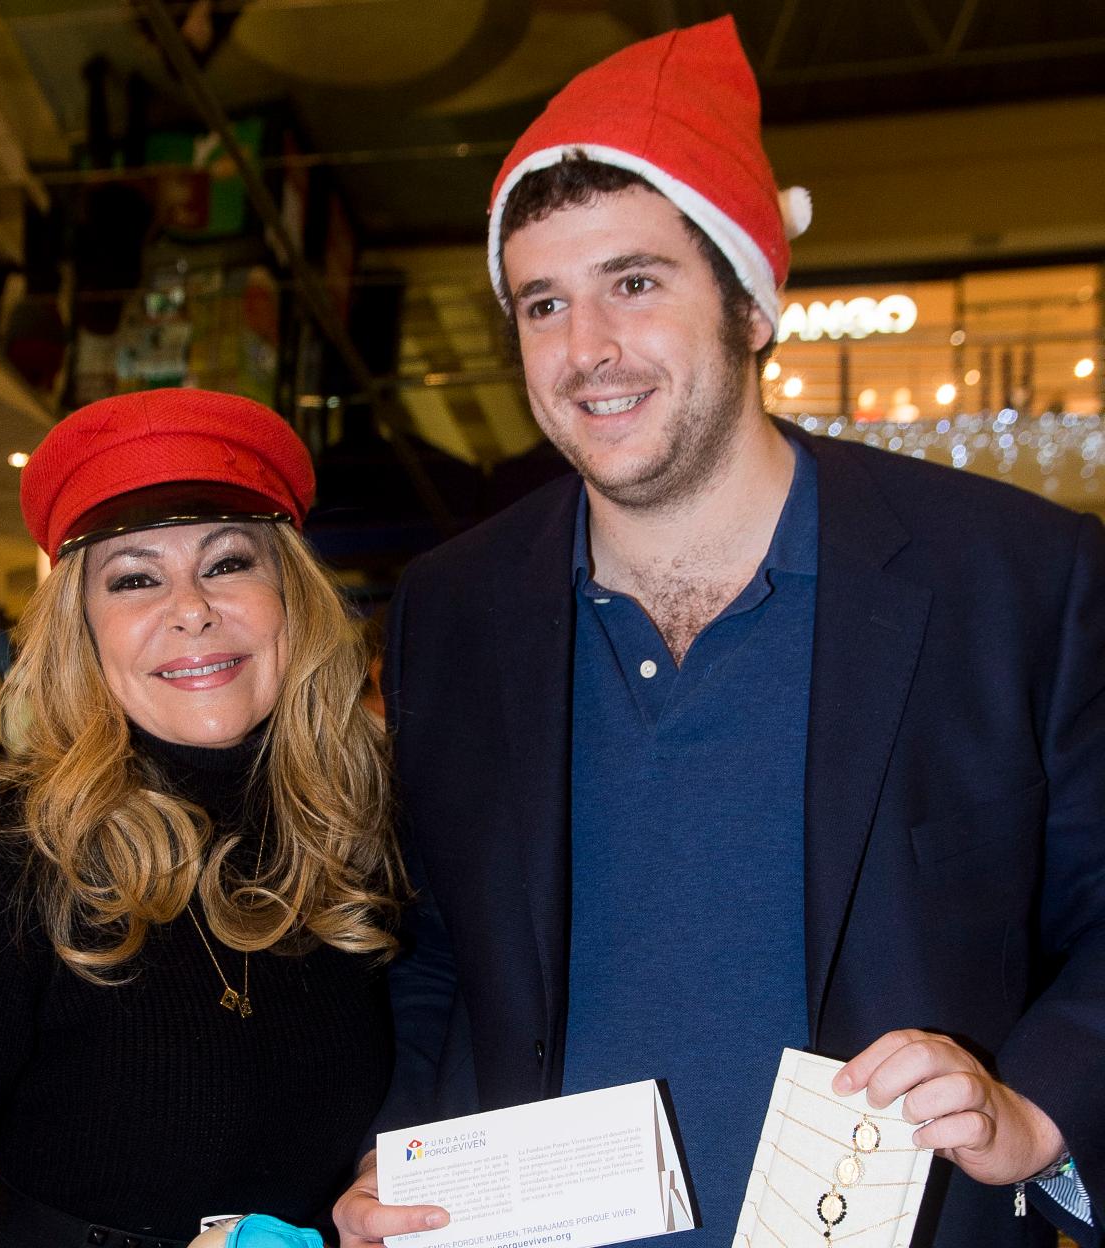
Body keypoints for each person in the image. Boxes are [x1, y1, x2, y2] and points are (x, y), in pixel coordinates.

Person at [333, 18, 1103, 1248]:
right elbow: (434, 948)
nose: (587, 351)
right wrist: (397, 1149)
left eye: (634, 283)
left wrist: (1037, 1110)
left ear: (749, 306)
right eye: (543, 303)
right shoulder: (457, 609)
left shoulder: (1012, 579)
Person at [0, 389, 403, 1248]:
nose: (191, 608)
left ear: (290, 598)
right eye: (136, 579)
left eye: (228, 563)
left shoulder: (360, 824)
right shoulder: (8, 848)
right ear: (84, 630)